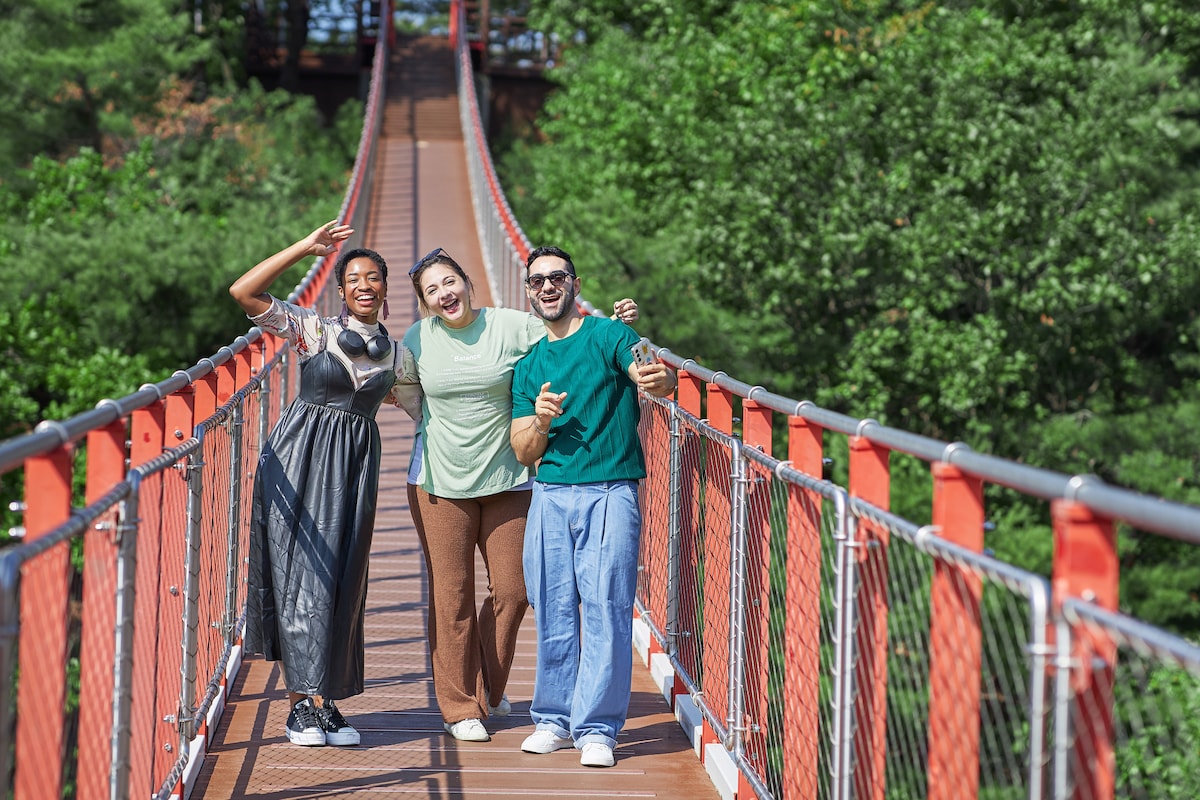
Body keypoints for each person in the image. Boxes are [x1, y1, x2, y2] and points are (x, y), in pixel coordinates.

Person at [402, 247, 637, 742]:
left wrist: (618, 325)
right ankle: (461, 707)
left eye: (451, 282)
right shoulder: (416, 340)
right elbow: (402, 391)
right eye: (432, 290)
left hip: (508, 478)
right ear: (424, 302)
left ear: (468, 282)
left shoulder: (514, 326)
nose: (445, 294)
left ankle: (489, 687)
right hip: (440, 481)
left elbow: (568, 333)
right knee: (453, 597)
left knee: (515, 591)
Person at [230, 221, 421, 748]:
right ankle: (299, 707)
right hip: (298, 459)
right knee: (301, 575)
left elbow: (431, 413)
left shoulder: (398, 355)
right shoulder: (313, 330)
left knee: (344, 577)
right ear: (341, 289)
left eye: (374, 278)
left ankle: (327, 699)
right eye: (354, 277)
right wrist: (305, 249)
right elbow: (243, 292)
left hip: (355, 467)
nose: (364, 285)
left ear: (385, 289)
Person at [508, 246, 676, 768]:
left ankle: (598, 728)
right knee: (553, 606)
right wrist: (539, 419)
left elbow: (649, 372)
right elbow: (522, 450)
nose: (547, 287)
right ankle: (553, 720)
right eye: (537, 281)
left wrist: (659, 379)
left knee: (605, 605)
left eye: (557, 277)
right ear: (529, 293)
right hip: (551, 496)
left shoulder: (609, 337)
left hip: (610, 491)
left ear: (575, 285)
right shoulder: (530, 365)